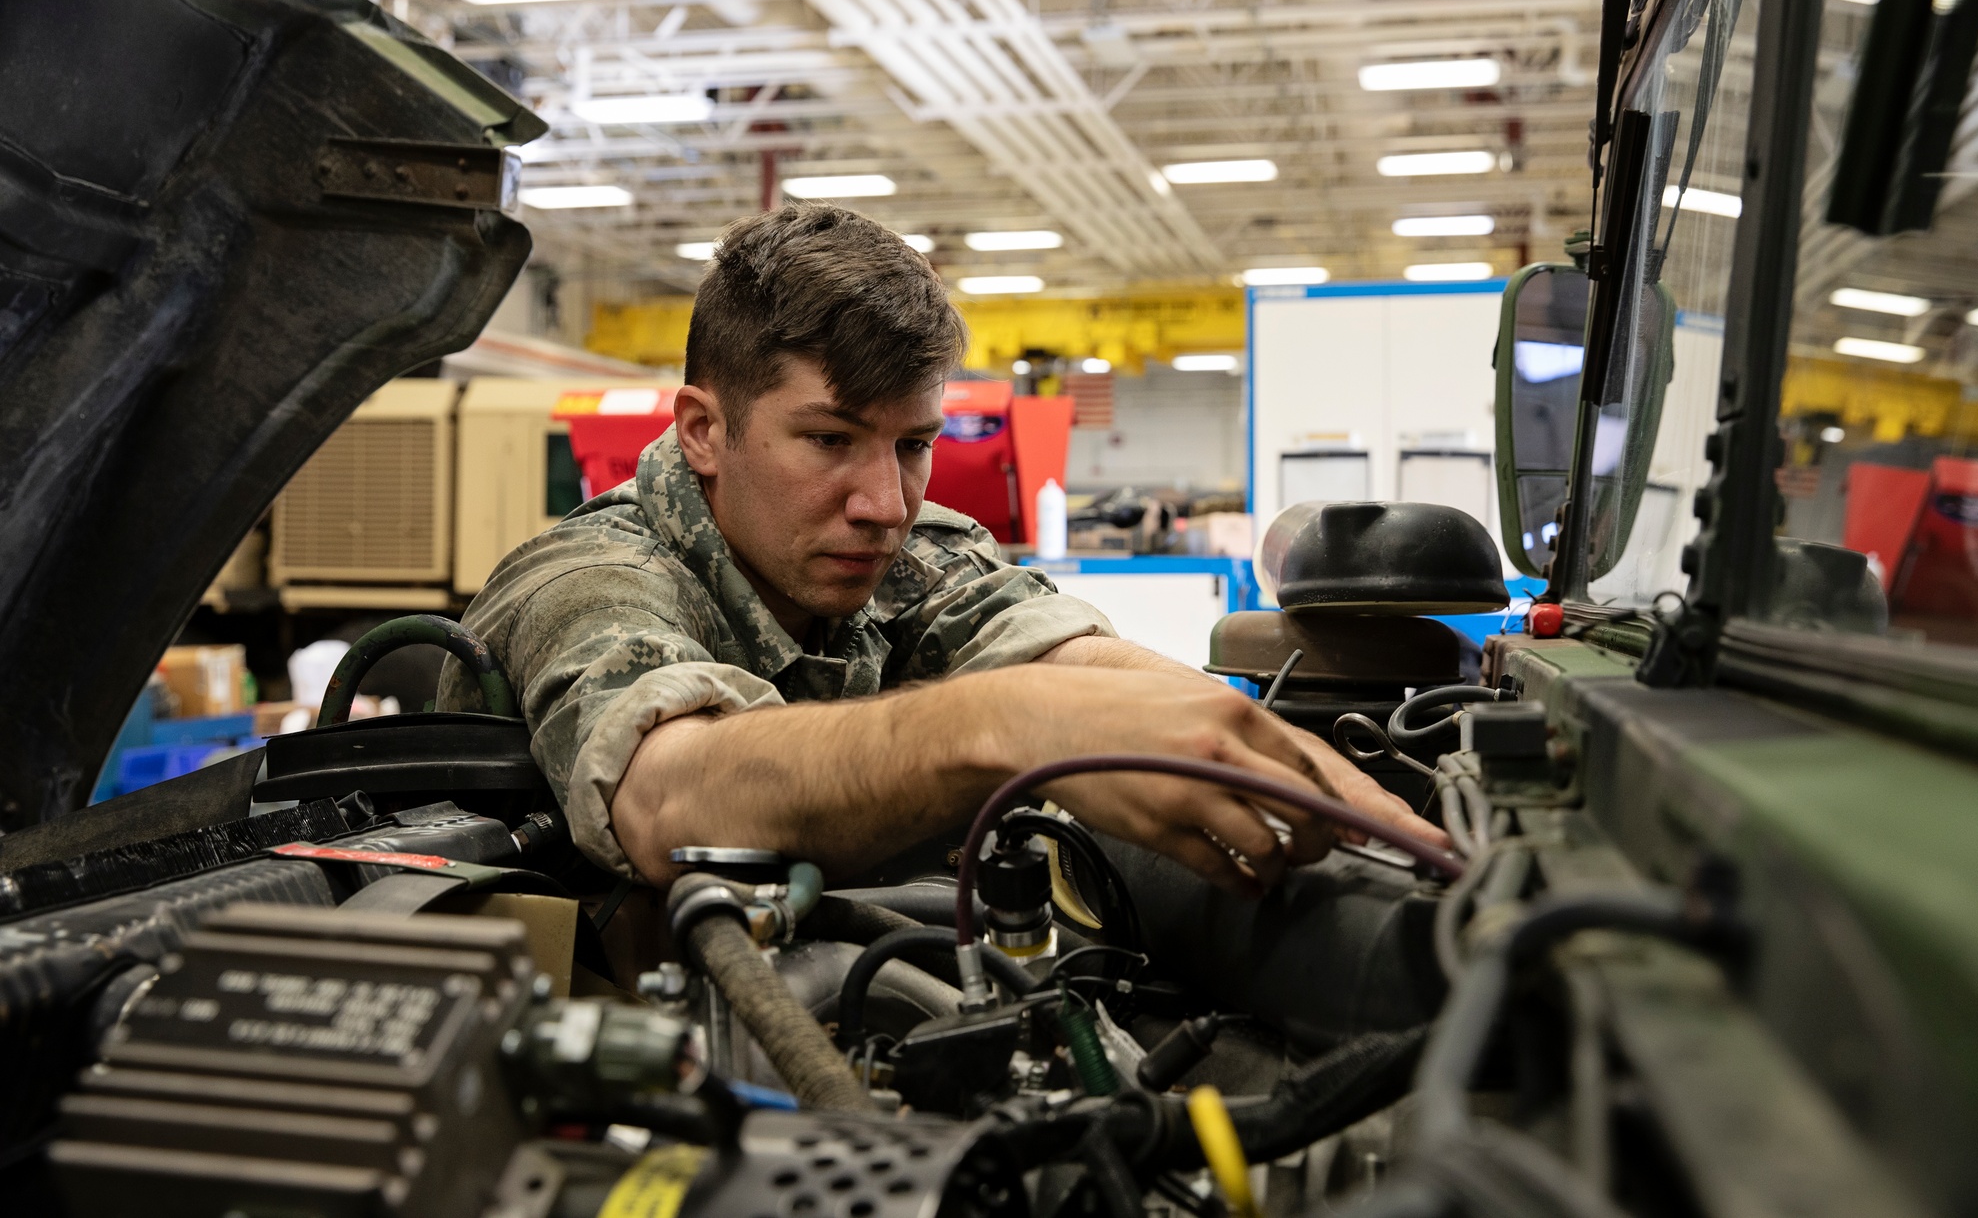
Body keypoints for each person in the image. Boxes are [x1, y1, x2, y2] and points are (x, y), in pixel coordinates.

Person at [439, 204, 1448, 897]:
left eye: (914, 445)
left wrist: (1284, 765)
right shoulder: (587, 582)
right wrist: (1004, 723)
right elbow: (672, 790)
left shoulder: (899, 552)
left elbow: (1064, 658)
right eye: (829, 440)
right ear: (703, 429)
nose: (885, 502)